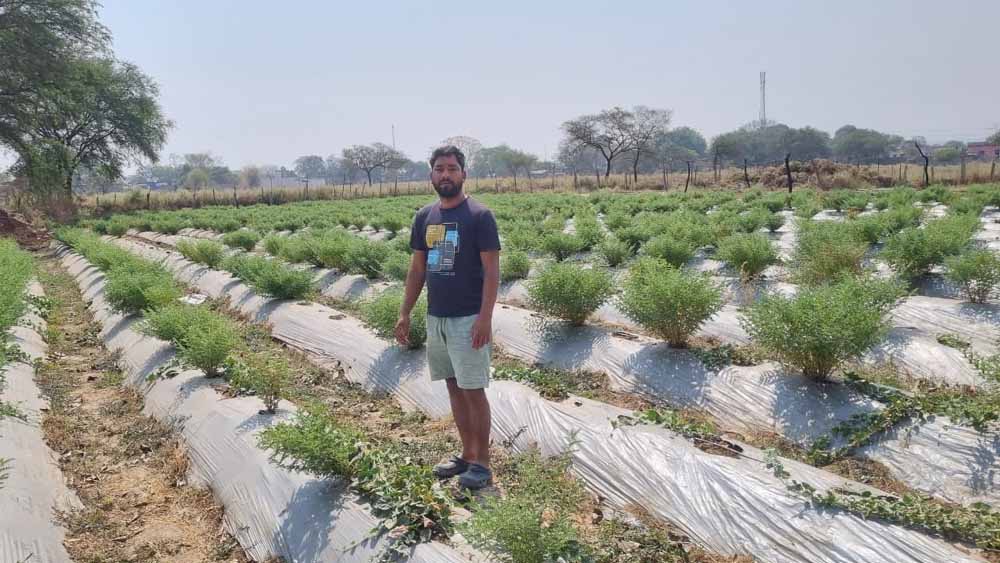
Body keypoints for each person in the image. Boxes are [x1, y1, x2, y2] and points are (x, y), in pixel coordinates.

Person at [394, 145, 500, 490]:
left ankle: (482, 463)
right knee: (454, 388)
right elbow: (417, 268)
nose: (445, 175)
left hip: (468, 318)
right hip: (436, 317)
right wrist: (405, 312)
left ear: (464, 174)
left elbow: (492, 271)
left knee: (473, 390)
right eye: (439, 169)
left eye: (452, 169)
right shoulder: (425, 217)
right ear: (431, 176)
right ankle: (467, 455)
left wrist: (485, 318)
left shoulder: (479, 216)